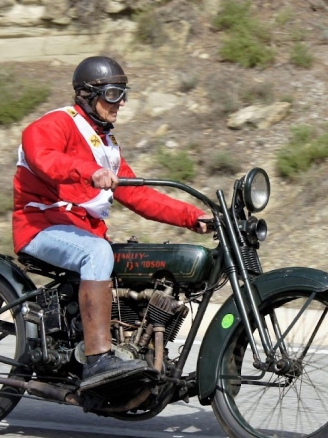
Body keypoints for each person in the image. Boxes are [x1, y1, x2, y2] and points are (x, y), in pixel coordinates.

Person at [12, 55, 211, 391]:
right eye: (113, 94)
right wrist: (88, 171)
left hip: (79, 232)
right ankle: (97, 358)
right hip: (39, 226)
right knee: (97, 254)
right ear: (88, 94)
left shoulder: (106, 145)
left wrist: (195, 217)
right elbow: (40, 154)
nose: (120, 103)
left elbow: (140, 195)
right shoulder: (59, 123)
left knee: (125, 261)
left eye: (124, 94)